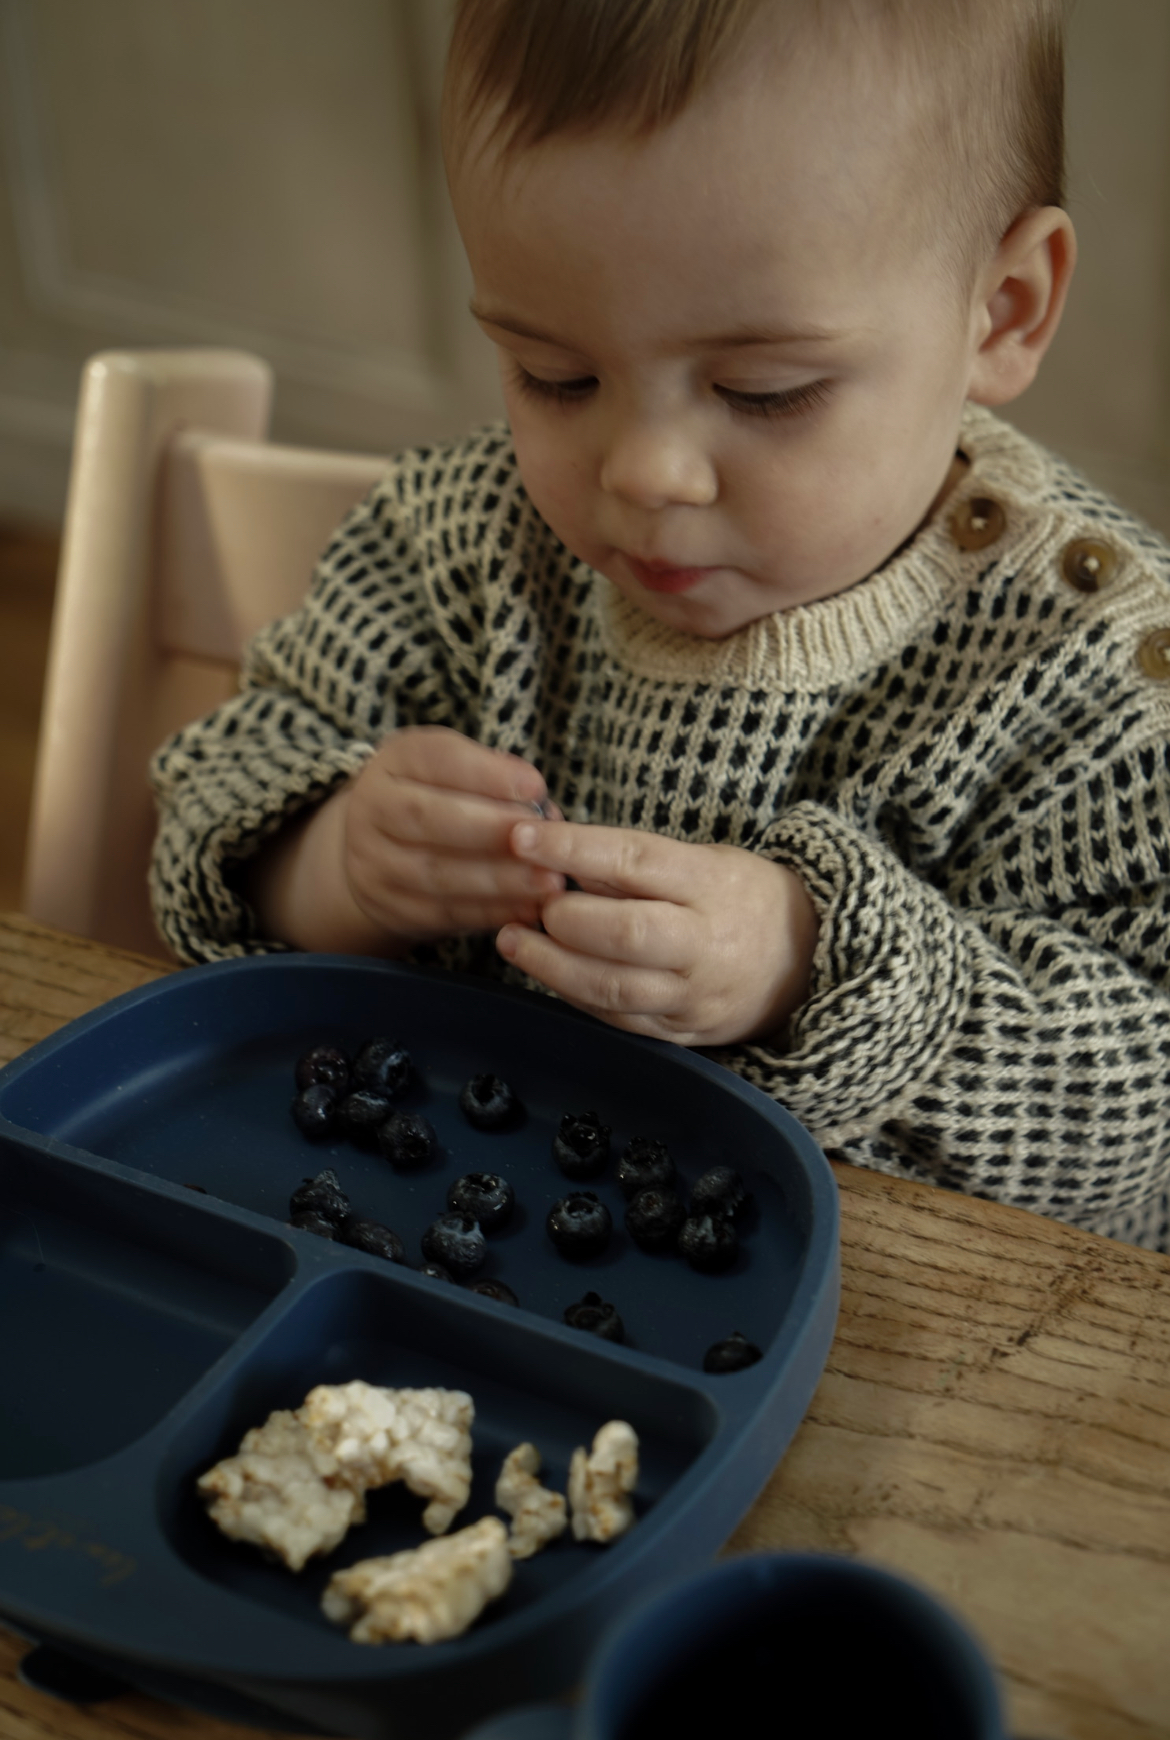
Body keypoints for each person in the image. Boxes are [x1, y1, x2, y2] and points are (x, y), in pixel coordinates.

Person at [151, 0, 1170, 1249]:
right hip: (438, 1253)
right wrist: (332, 861)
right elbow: (219, 788)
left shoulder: (1102, 675)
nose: (643, 472)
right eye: (556, 376)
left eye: (763, 390)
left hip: (910, 1323)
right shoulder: (459, 544)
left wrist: (814, 968)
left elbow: (1142, 1119)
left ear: (1002, 309)